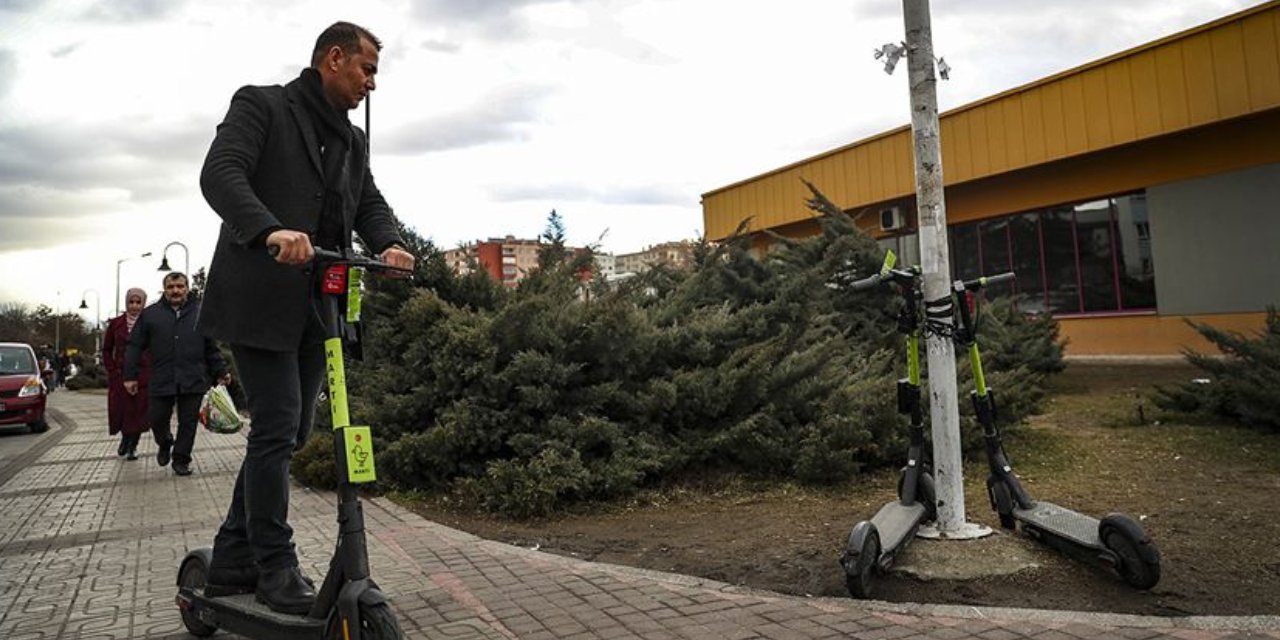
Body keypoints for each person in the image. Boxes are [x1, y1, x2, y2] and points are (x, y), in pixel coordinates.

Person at [197, 21, 415, 614]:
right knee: (276, 425)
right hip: (259, 298)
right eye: (367, 69)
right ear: (334, 58)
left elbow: (368, 200)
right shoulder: (262, 105)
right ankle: (275, 565)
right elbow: (220, 174)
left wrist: (389, 243)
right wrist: (269, 229)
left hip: (318, 306)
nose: (372, 83)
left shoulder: (351, 140)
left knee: (292, 434)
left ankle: (232, 552)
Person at [123, 272, 231, 476]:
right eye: (171, 287)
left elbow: (211, 347)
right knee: (157, 418)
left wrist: (221, 370)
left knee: (188, 422)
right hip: (162, 378)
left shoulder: (201, 313)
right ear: (164, 289)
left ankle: (181, 459)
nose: (176, 291)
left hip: (193, 377)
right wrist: (130, 376)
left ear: (187, 288)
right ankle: (165, 442)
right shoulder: (150, 314)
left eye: (180, 286)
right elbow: (134, 346)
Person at [103, 288, 152, 460]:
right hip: (120, 375)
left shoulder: (149, 323)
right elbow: (107, 349)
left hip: (143, 376)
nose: (134, 306)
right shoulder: (116, 324)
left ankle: (133, 446)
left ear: (144, 303)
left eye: (138, 302)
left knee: (138, 412)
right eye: (131, 302)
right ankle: (125, 438)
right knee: (122, 410)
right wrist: (112, 369)